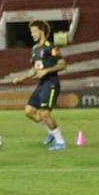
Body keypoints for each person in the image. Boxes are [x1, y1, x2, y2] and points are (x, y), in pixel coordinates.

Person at [10, 19, 68, 150]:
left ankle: (60, 142)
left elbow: (63, 64)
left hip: (51, 83)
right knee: (29, 111)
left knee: (44, 114)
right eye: (31, 32)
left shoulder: (51, 47)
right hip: (41, 84)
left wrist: (46, 70)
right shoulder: (35, 49)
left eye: (34, 31)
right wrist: (21, 77)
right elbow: (34, 69)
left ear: (42, 31)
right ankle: (51, 133)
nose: (32, 34)